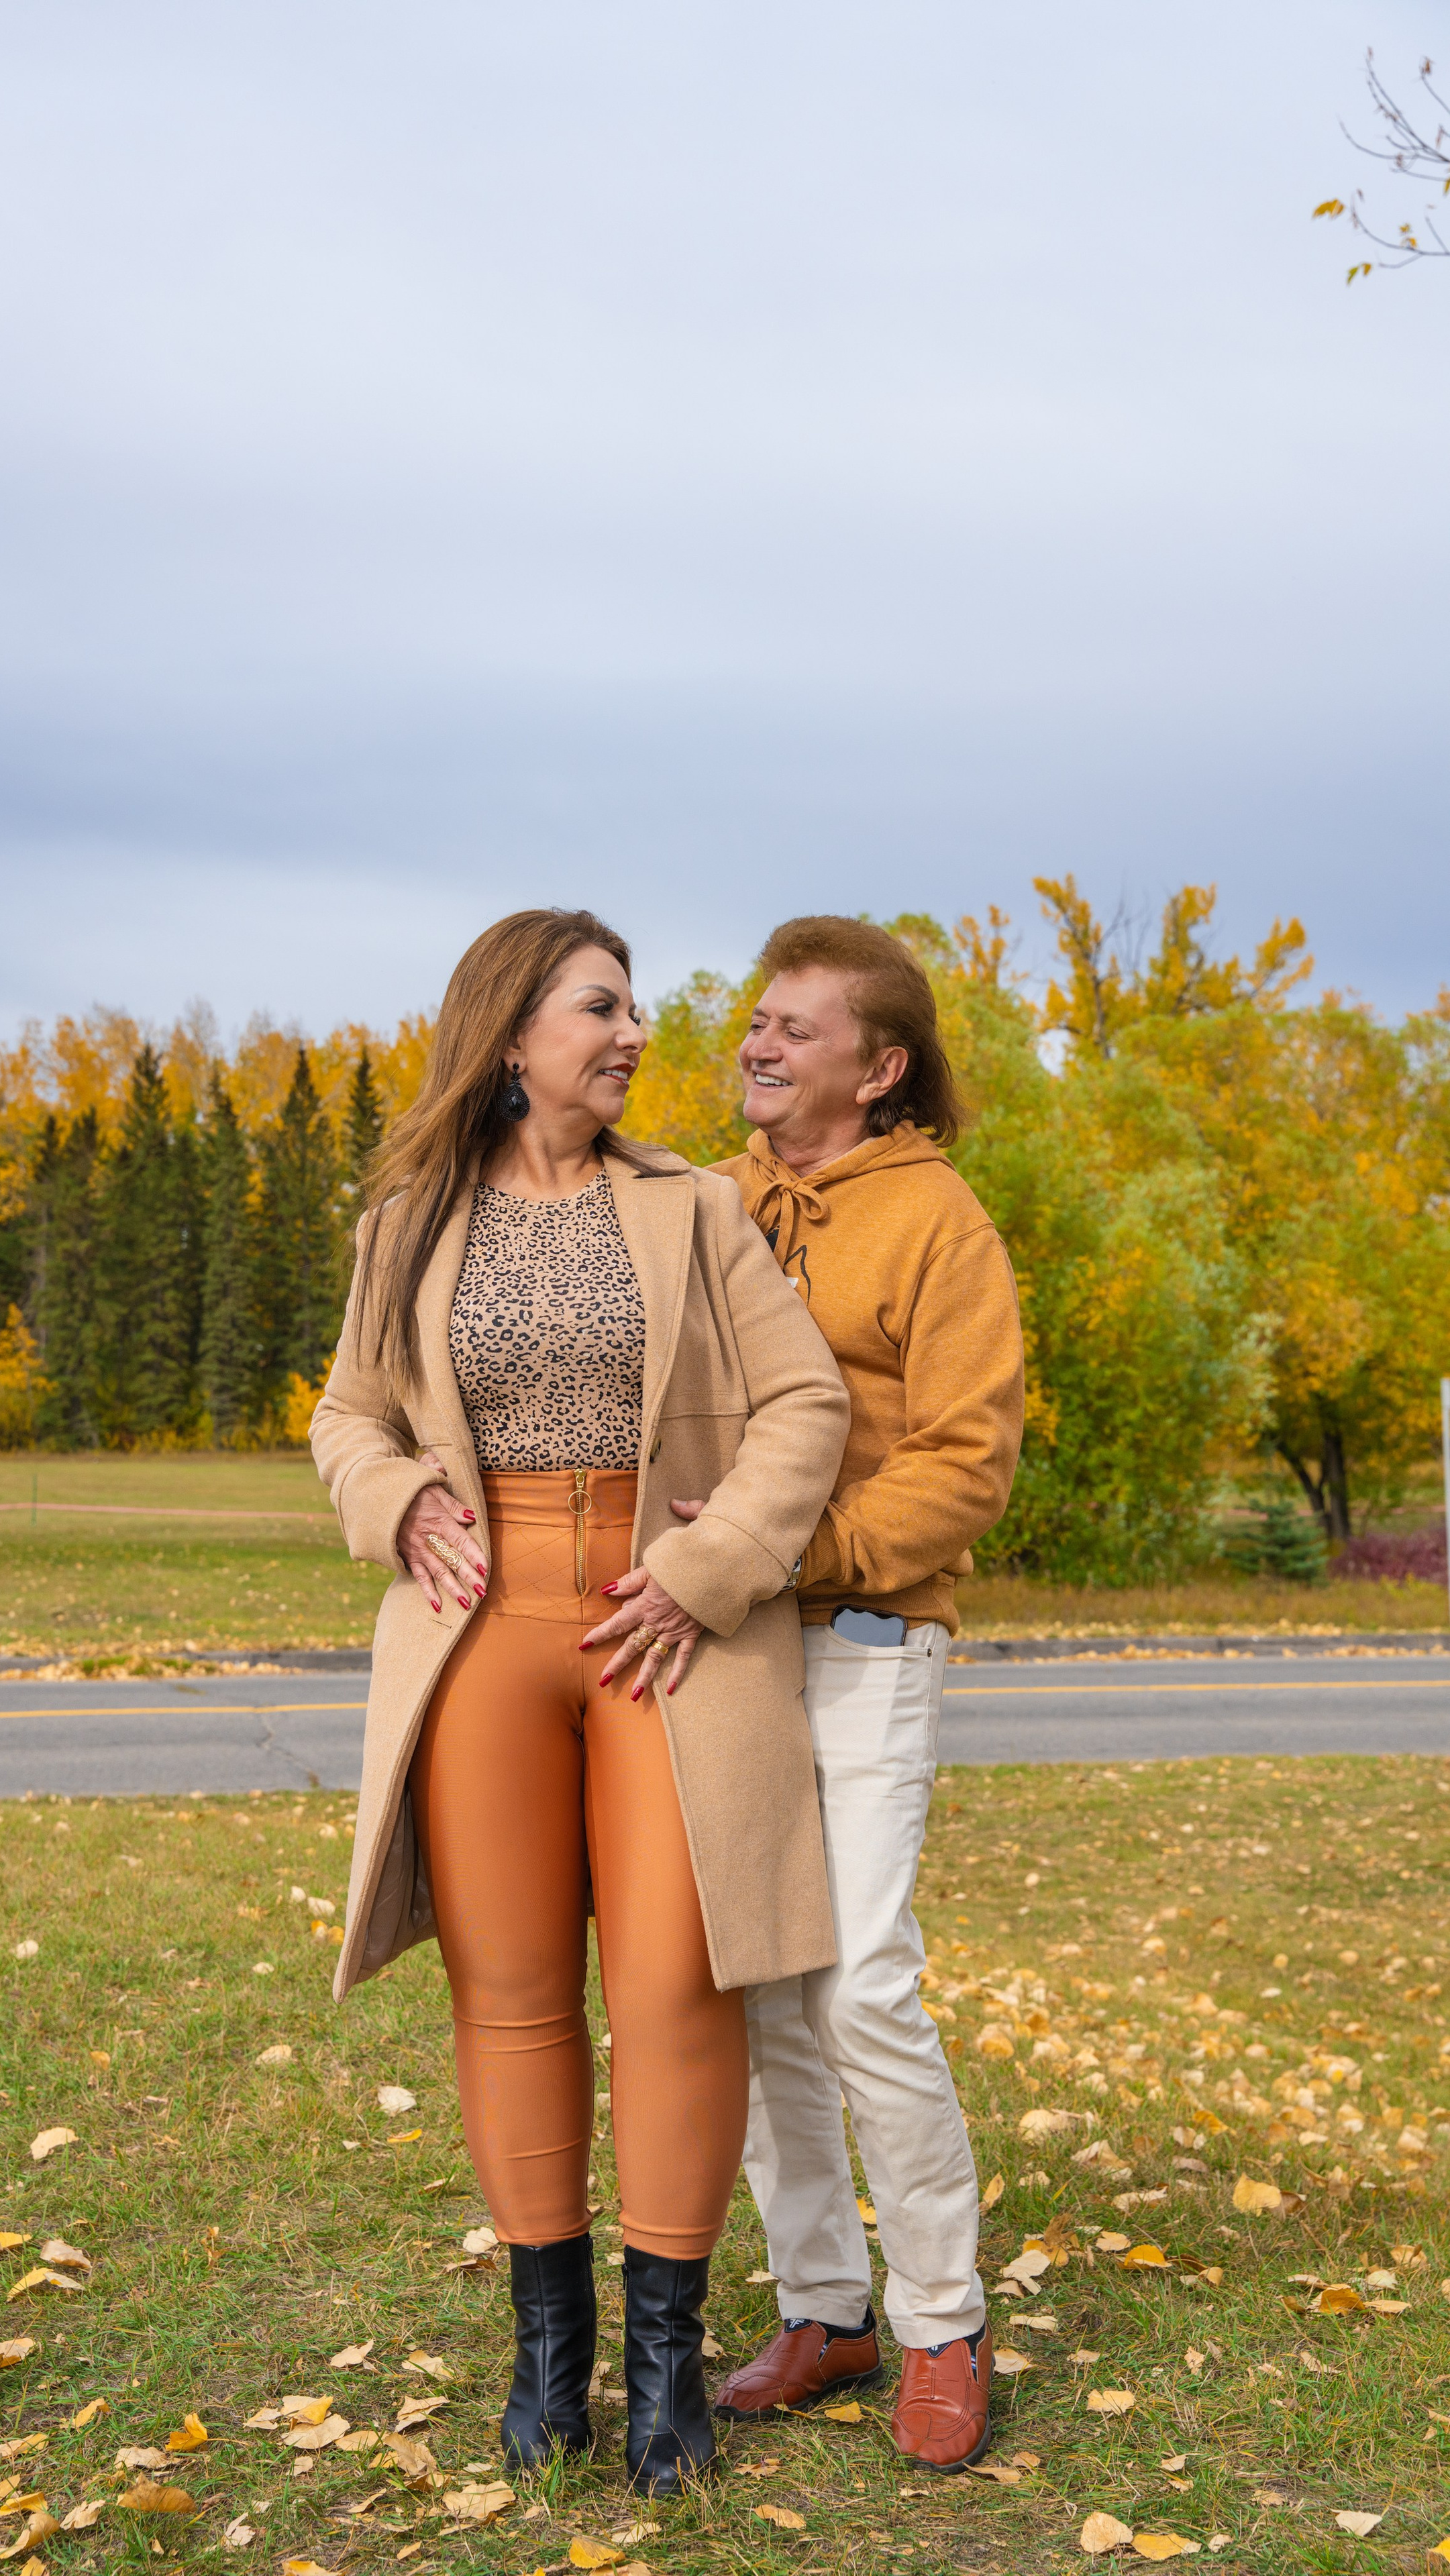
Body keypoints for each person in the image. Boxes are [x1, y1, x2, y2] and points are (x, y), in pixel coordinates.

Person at [310, 908, 850, 2494]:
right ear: (510, 1028)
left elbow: (801, 1402)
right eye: (599, 1009)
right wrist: (395, 1496)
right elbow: (348, 1412)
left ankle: (666, 2370)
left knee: (681, 1983)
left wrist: (717, 1565)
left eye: (634, 1013)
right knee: (512, 1988)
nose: (629, 1036)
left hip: (663, 1630)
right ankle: (550, 2361)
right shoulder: (411, 1214)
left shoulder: (688, 1209)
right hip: (479, 1630)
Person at [698, 915, 1025, 2472]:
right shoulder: (709, 1202)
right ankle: (822, 2306)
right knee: (761, 1982)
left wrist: (791, 1550)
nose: (756, 1044)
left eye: (794, 1029)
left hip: (868, 1637)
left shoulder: (937, 1223)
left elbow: (967, 1463)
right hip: (728, 1644)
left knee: (860, 1982)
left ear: (878, 1069)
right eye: (755, 1021)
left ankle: (942, 2320)